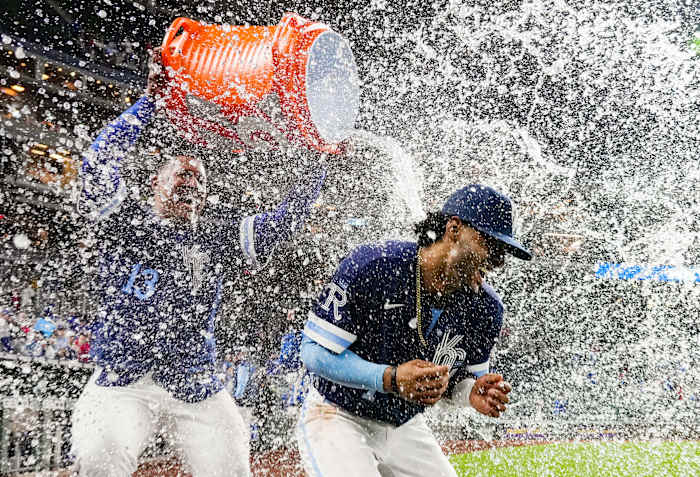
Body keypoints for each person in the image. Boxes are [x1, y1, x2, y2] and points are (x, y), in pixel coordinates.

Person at [70, 48, 327, 477]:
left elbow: (286, 219)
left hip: (195, 384)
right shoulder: (123, 221)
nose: (191, 183)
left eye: (200, 181)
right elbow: (96, 165)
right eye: (182, 175)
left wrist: (317, 158)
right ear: (156, 183)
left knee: (231, 466)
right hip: (121, 381)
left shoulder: (216, 235)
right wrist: (147, 104)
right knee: (98, 458)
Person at [296, 184, 532, 477]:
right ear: (454, 229)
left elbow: (460, 381)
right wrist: (389, 378)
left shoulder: (486, 308)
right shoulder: (376, 264)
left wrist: (470, 393)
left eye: (503, 253)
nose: (497, 261)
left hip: (404, 424)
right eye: (490, 244)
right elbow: (313, 353)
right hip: (337, 412)